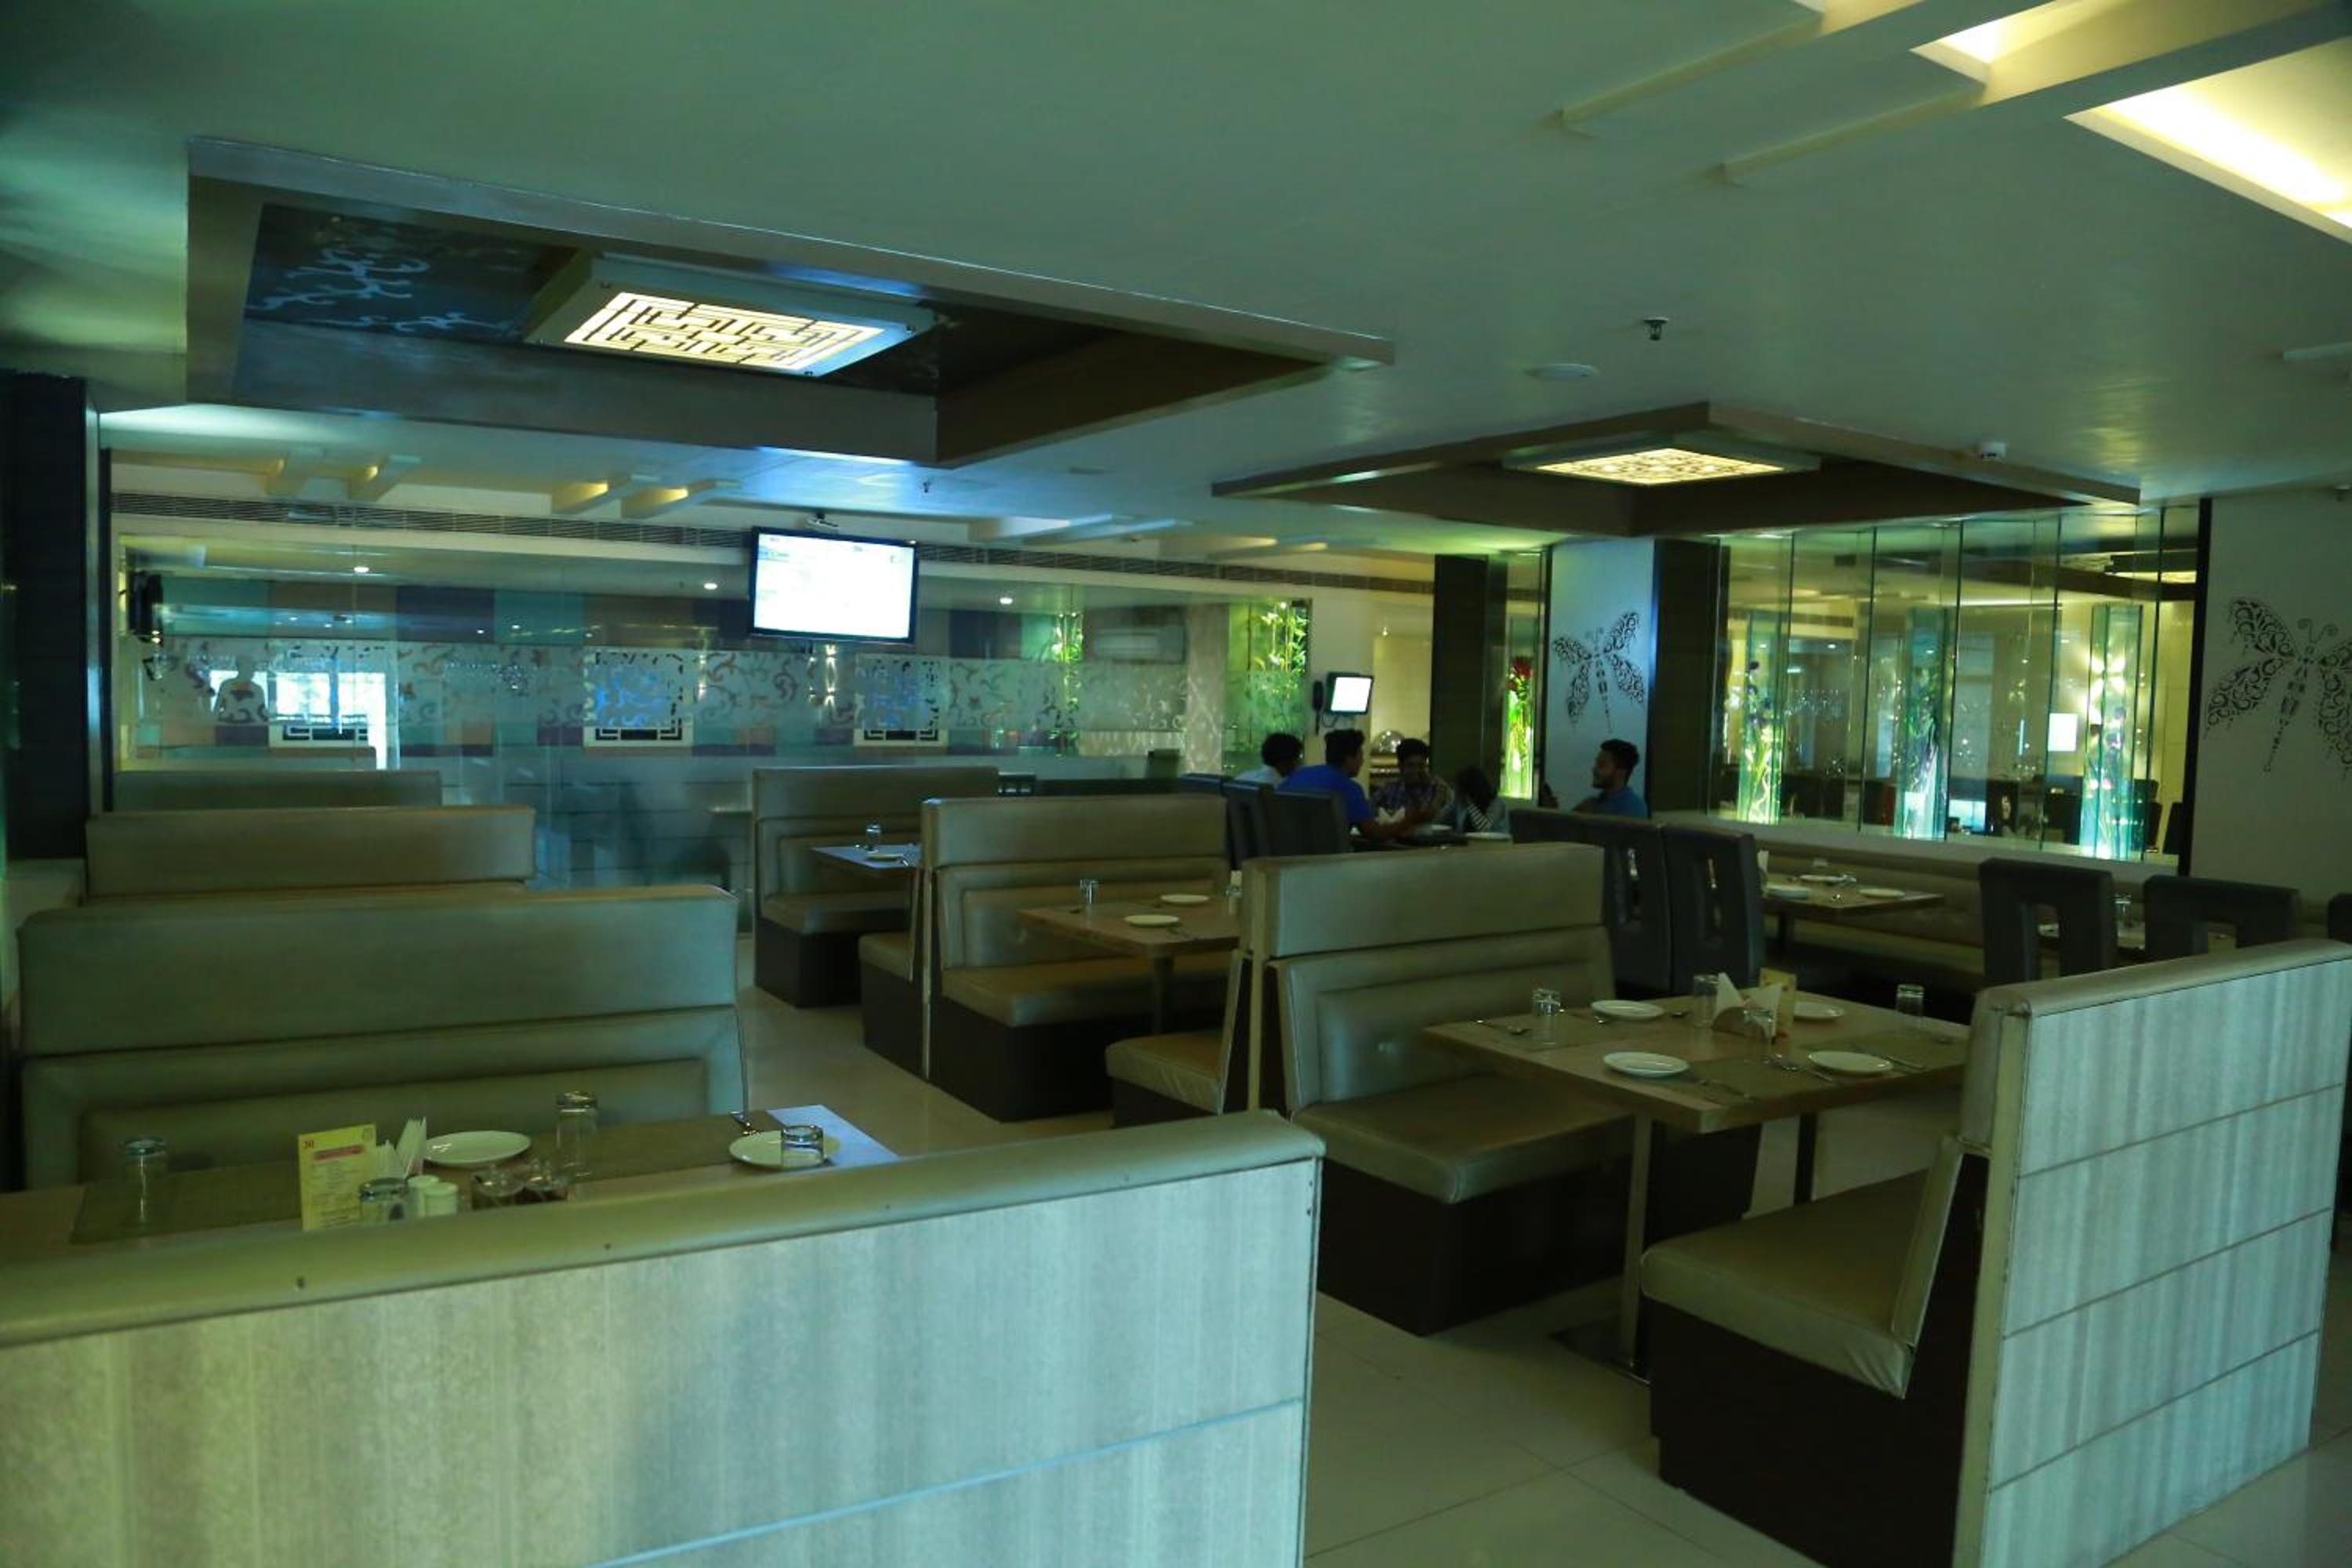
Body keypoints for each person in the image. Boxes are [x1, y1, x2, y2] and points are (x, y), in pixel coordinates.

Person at [1283, 728, 1432, 844]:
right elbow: (1375, 834)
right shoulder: (1349, 789)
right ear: (1349, 758)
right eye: (1361, 755)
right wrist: (1409, 820)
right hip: (1328, 862)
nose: (1362, 761)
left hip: (1286, 857)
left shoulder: (1298, 775)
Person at [1370, 737, 1451, 822]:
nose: (1416, 770)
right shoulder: (1390, 788)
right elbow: (1368, 811)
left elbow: (1445, 820)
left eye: (1421, 766)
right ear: (1400, 766)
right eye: (1410, 765)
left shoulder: (1438, 788)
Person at [1573, 738, 1649, 818]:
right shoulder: (1592, 804)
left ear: (1621, 772)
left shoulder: (1633, 808)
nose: (1594, 769)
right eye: (1596, 763)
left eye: (1602, 765)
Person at [1445, 765, 1512, 835]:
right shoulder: (1461, 803)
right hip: (1468, 841)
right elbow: (1440, 820)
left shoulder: (1497, 804)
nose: (1456, 791)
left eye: (1459, 789)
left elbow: (1485, 830)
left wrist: (1470, 805)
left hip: (1493, 841)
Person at [1234, 731, 1303, 786]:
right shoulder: (1284, 788)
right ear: (1285, 762)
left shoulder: (1242, 778)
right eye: (1298, 758)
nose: (1300, 763)